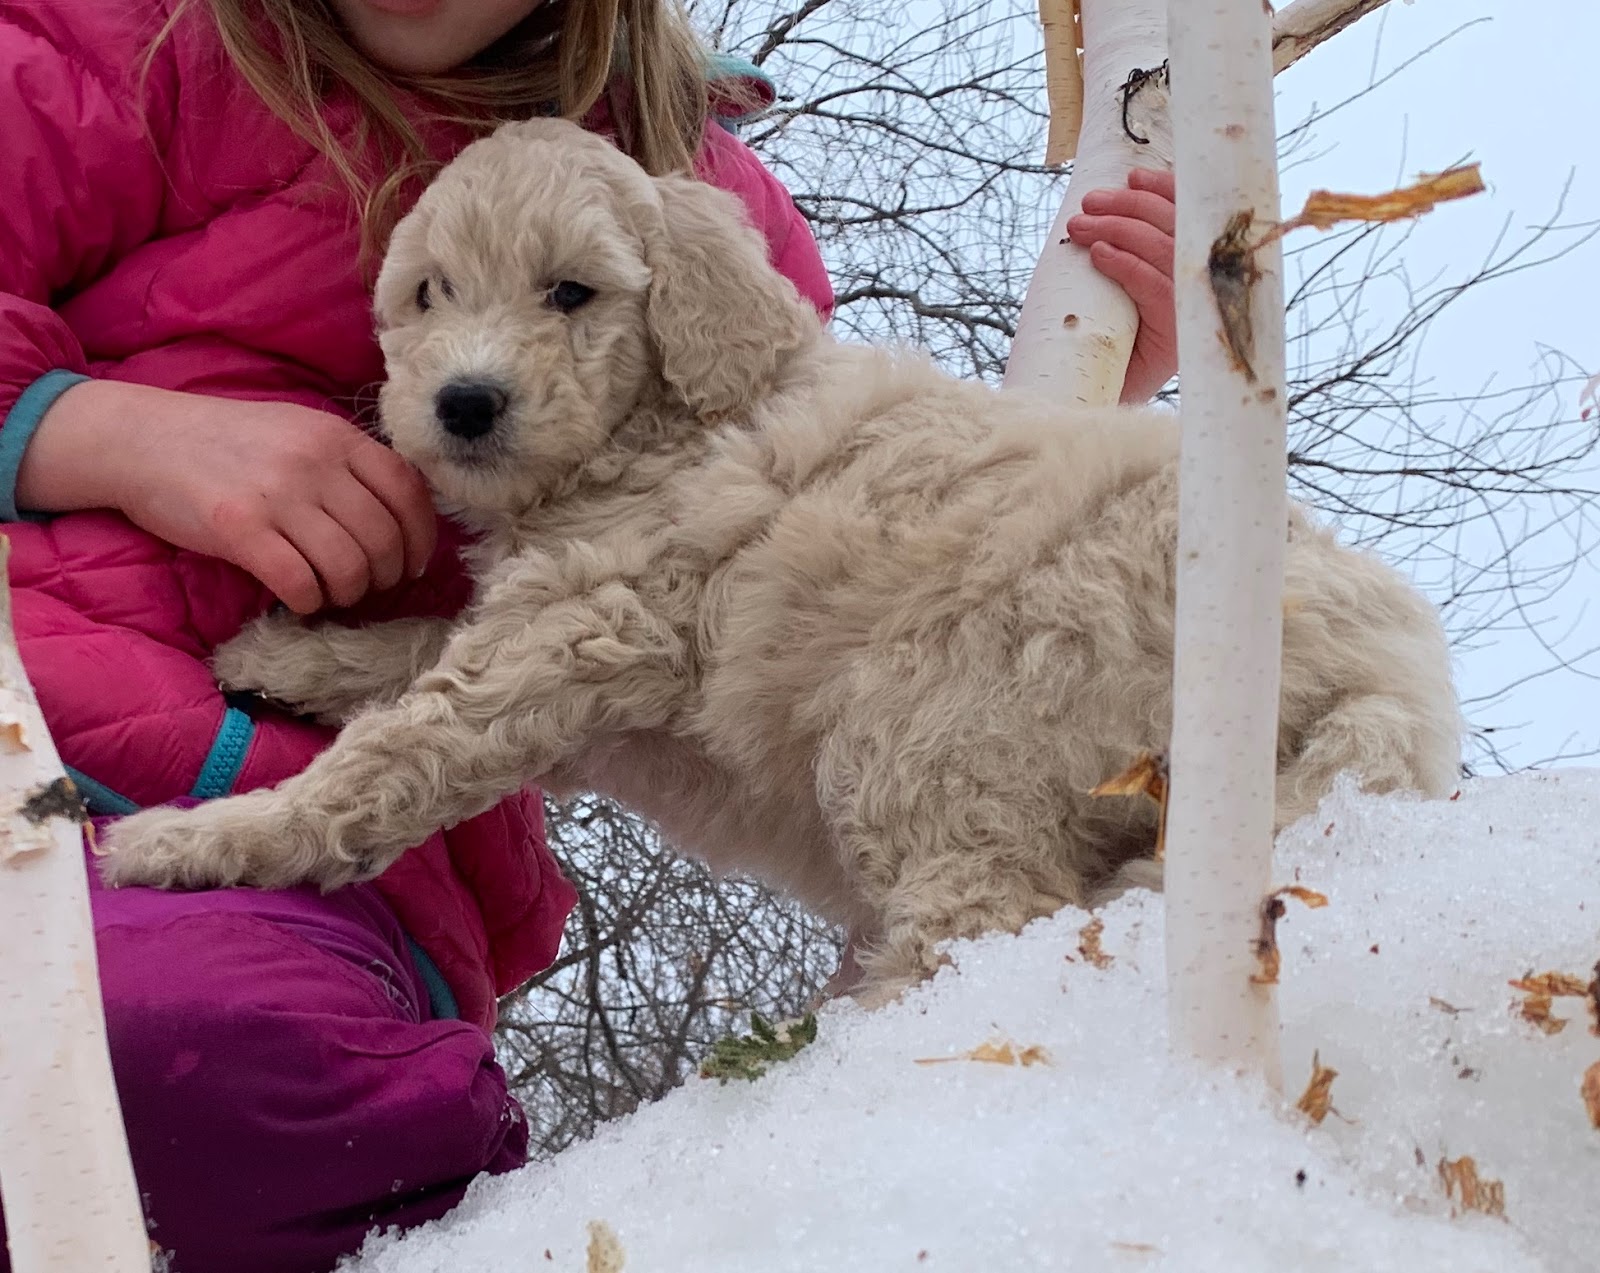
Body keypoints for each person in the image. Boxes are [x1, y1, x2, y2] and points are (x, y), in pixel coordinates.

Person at [0, 0, 1178, 1268]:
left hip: (306, 879)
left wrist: (1083, 394)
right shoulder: (124, 43)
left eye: (569, 296)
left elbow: (796, 561)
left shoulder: (709, 210)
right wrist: (99, 431)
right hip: (31, 710)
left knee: (217, 1069)